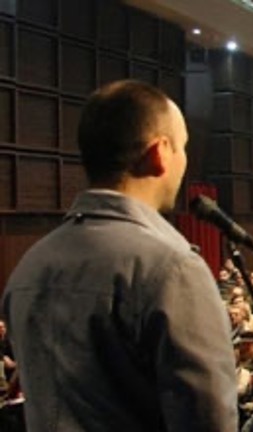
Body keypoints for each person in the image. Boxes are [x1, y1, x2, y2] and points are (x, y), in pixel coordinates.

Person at [0, 80, 237, 431]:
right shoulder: (171, 268)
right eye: (183, 147)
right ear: (160, 153)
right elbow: (207, 422)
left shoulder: (30, 265)